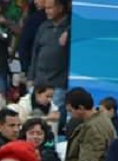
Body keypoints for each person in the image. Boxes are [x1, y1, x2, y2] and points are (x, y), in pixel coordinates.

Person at [30, 0, 69, 129]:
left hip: (58, 82)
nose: (46, 11)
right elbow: (35, 52)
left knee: (54, 118)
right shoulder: (43, 26)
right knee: (35, 116)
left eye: (50, 8)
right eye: (46, 8)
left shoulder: (70, 25)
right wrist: (31, 76)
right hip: (40, 81)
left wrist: (69, 31)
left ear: (60, 8)